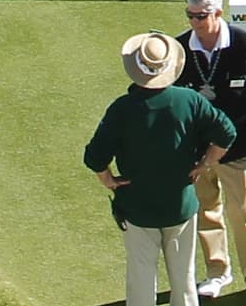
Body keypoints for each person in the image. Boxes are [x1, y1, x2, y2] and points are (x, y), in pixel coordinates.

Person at [85, 30, 234, 306]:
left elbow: (94, 157)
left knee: (141, 283)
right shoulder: (189, 100)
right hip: (180, 206)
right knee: (185, 281)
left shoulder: (122, 109)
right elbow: (226, 132)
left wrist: (108, 180)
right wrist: (206, 163)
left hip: (138, 208)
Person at [182, 0, 246, 302]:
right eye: (190, 15)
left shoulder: (242, 43)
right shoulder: (181, 47)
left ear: (218, 13)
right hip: (199, 152)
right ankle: (217, 272)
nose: (195, 22)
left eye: (201, 16)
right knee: (206, 212)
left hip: (237, 148)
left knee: (244, 214)